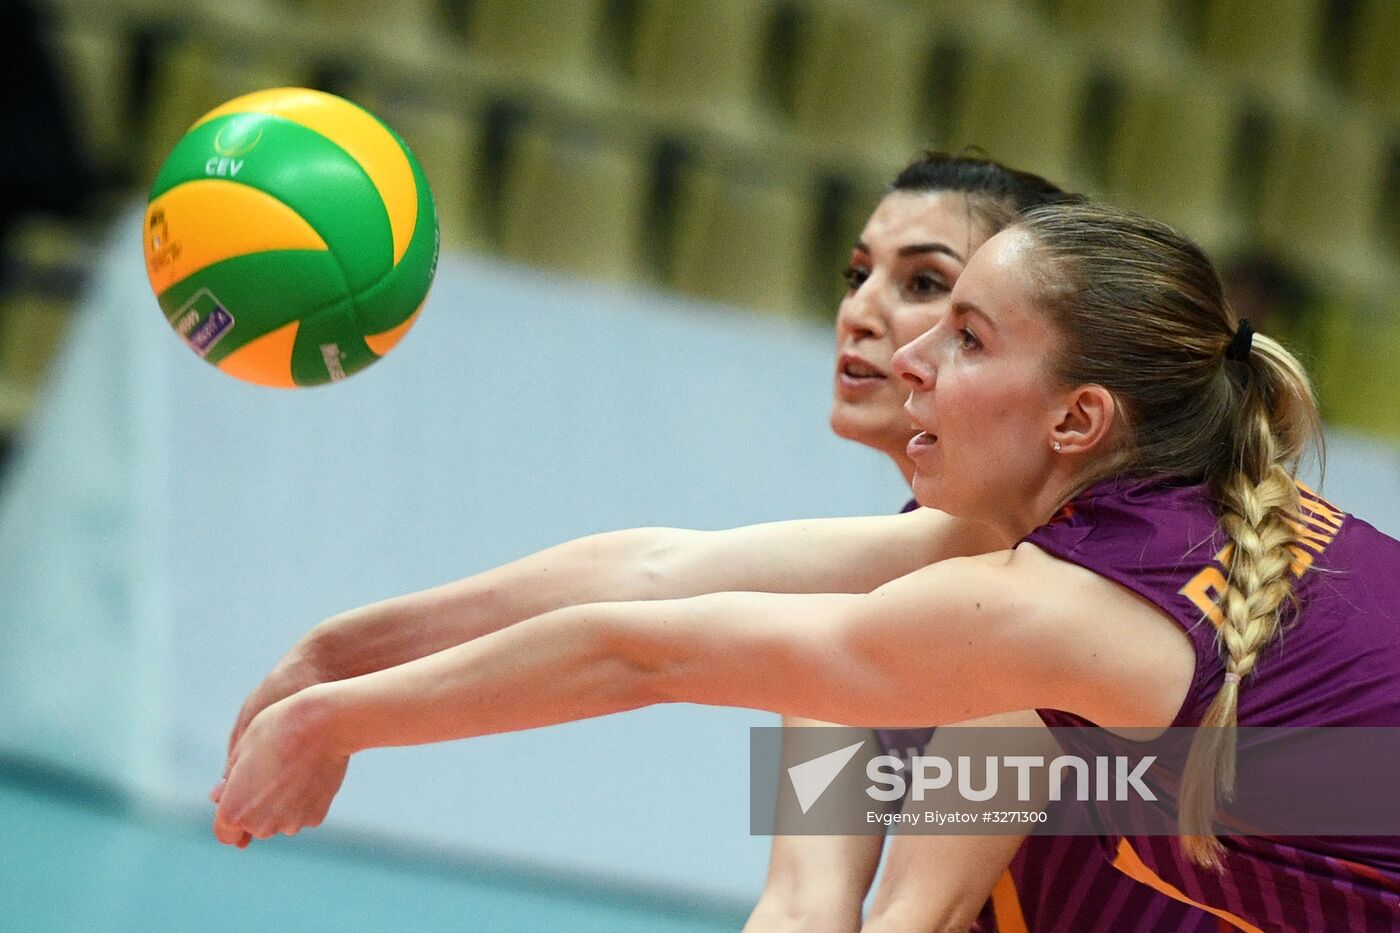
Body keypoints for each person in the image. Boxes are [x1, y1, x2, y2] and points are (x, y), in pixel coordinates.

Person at [214, 201, 1397, 928]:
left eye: (963, 331)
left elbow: (643, 655)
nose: (907, 354)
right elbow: (660, 576)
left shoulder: (1042, 609)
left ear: (1078, 420)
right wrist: (338, 654)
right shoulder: (1136, 529)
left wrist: (332, 726)